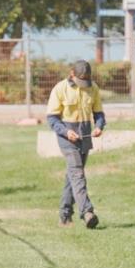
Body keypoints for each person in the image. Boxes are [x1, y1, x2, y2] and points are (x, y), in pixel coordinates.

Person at [46, 59, 105, 229]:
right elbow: (52, 118)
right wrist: (65, 131)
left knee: (72, 176)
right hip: (67, 136)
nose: (83, 84)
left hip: (85, 135)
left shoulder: (93, 88)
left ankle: (65, 216)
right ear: (72, 73)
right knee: (77, 173)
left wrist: (99, 126)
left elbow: (99, 113)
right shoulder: (60, 89)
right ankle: (87, 212)